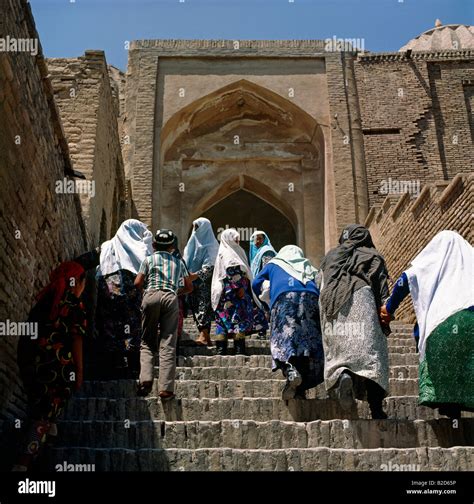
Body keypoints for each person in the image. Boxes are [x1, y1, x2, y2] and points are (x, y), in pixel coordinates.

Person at [380, 230, 473, 418]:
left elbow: (402, 282)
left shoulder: (429, 264)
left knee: (443, 359)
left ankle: (451, 412)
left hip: (442, 326)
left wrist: (388, 309)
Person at [14, 262, 87, 470]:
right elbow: (77, 340)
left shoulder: (45, 298)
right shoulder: (74, 304)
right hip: (59, 368)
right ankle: (22, 463)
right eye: (83, 283)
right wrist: (80, 371)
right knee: (44, 416)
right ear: (78, 282)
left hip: (33, 363)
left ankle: (43, 453)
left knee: (43, 410)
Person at [319, 224, 390, 419]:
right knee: (372, 357)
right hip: (361, 299)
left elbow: (321, 282)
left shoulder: (331, 256)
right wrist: (385, 314)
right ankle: (376, 409)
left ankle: (344, 376)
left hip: (332, 304)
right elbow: (381, 287)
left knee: (341, 353)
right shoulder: (372, 255)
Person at [252, 245, 324, 400]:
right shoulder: (307, 265)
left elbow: (256, 282)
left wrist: (266, 302)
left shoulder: (274, 264)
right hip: (310, 299)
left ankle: (290, 369)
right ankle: (300, 390)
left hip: (284, 299)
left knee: (283, 339)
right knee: (306, 343)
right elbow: (320, 282)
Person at [135, 229, 192, 400]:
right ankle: (166, 389)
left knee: (147, 340)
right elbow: (189, 287)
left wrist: (147, 292)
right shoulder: (178, 263)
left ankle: (145, 380)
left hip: (151, 295)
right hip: (170, 297)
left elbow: (137, 282)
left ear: (153, 245)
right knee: (168, 341)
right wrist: (175, 291)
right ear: (172, 246)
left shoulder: (149, 259)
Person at [95, 219, 153, 379]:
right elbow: (148, 263)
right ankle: (132, 367)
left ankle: (113, 367)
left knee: (110, 326)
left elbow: (95, 263)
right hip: (130, 289)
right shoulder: (140, 247)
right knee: (132, 326)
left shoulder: (107, 245)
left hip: (107, 289)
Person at [211, 228, 268, 355]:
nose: (237, 241)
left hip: (227, 296)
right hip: (233, 295)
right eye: (235, 239)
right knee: (237, 320)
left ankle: (222, 350)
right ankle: (237, 350)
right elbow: (232, 275)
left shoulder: (229, 252)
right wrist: (239, 289)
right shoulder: (229, 254)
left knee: (225, 321)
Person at [183, 217, 219, 346]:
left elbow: (211, 267)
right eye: (195, 227)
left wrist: (196, 275)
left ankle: (203, 335)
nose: (196, 230)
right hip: (192, 283)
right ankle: (206, 336)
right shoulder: (192, 243)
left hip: (205, 284)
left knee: (203, 307)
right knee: (195, 308)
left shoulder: (212, 245)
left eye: (198, 227)